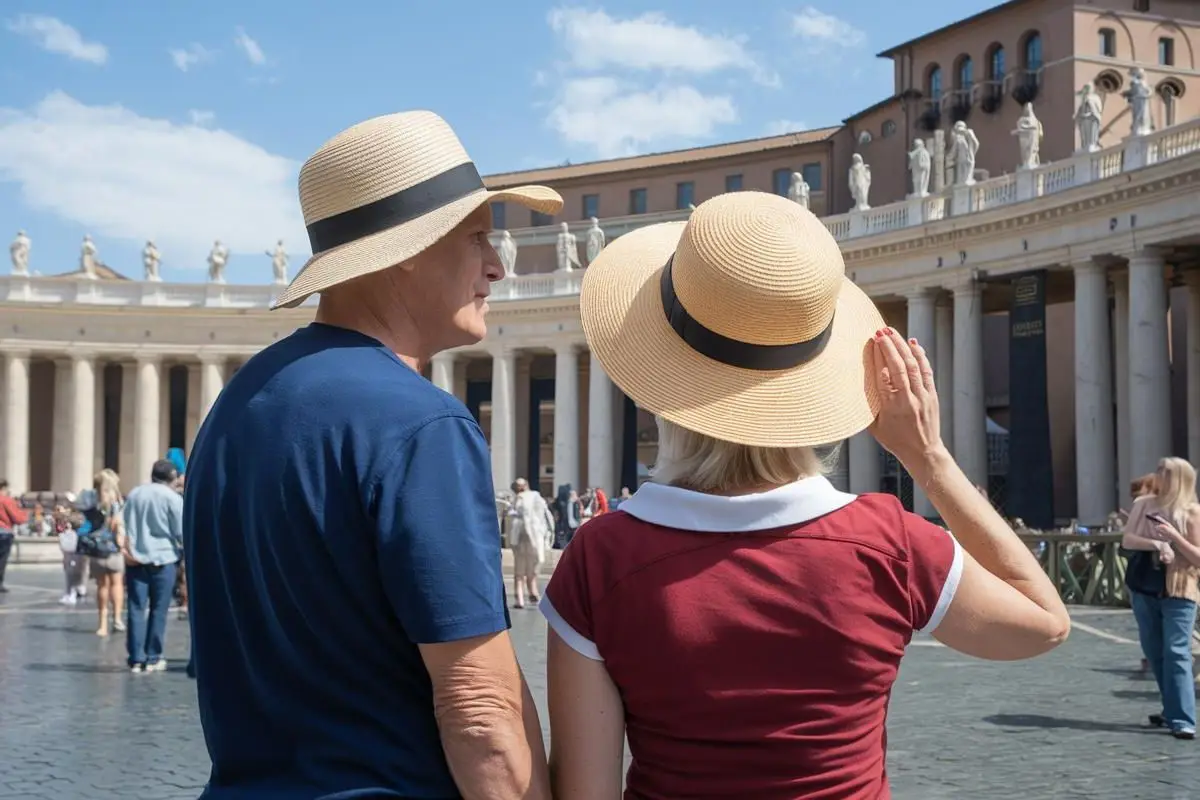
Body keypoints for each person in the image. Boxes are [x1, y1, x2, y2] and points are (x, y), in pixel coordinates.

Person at [540, 192, 1072, 798]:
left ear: (659, 384)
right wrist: (930, 459)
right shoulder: (889, 543)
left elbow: (586, 791)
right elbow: (1044, 624)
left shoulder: (601, 556)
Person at [184, 111, 560, 798]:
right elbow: (480, 710)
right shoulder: (420, 424)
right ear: (409, 248)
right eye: (477, 237)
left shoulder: (236, 406)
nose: (497, 266)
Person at [1122, 457, 1200, 739]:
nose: (1158, 475)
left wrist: (1174, 538)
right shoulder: (1143, 504)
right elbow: (1127, 539)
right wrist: (1156, 543)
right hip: (1145, 586)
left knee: (1177, 652)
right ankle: (1171, 709)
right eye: (1158, 469)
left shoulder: (1192, 511)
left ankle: (1183, 719)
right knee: (1154, 651)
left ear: (1180, 478)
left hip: (1180, 588)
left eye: (1165, 471)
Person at [121, 460, 184, 672]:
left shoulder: (135, 494)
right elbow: (180, 531)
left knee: (135, 608)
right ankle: (154, 656)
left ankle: (136, 658)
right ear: (172, 477)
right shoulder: (172, 498)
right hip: (164, 559)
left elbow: (124, 523)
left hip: (136, 559)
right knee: (159, 610)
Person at [81, 472, 127, 636]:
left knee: (102, 585)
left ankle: (102, 624)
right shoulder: (117, 503)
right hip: (114, 549)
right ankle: (117, 618)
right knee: (117, 584)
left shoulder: (91, 503)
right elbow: (118, 525)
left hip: (97, 549)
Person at [508, 478, 555, 609]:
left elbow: (543, 515)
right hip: (523, 537)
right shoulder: (518, 499)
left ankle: (529, 592)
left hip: (532, 535)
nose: (520, 488)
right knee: (523, 568)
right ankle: (522, 596)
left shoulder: (532, 497)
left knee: (531, 566)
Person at [0, 478, 28, 592]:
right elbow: (18, 518)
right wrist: (24, 512)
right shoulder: (6, 500)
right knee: (1, 560)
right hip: (4, 533)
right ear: (3, 488)